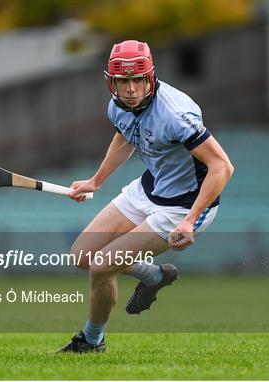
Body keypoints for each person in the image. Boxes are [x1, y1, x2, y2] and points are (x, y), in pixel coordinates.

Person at [57, 40, 234, 353]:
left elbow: (222, 166)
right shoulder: (117, 105)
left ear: (150, 77)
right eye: (123, 81)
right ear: (111, 82)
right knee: (81, 256)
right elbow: (125, 137)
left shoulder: (175, 114)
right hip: (149, 189)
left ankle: (91, 341)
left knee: (101, 267)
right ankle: (151, 275)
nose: (130, 90)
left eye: (137, 80)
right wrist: (95, 181)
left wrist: (190, 221)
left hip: (183, 207)